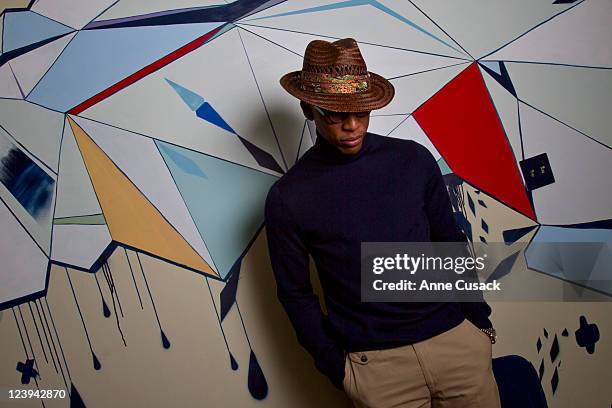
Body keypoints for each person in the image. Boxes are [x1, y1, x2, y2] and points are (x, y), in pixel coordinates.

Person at [264, 38, 501, 408]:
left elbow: (449, 243)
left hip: (457, 345)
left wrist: (479, 323)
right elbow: (295, 294)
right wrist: (338, 368)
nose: (352, 125)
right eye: (335, 114)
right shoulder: (288, 197)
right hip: (377, 369)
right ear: (307, 109)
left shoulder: (412, 160)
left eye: (362, 111)